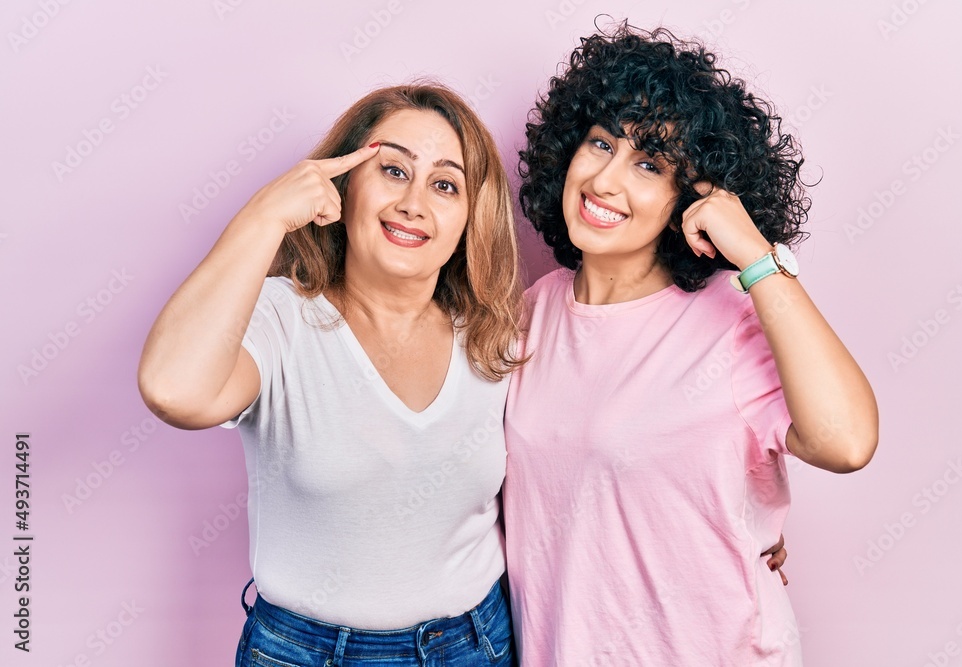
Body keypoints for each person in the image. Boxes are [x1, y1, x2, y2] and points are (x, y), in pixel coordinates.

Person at [504, 23, 879, 666]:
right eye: (600, 144)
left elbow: (845, 442)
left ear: (692, 196)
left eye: (649, 163)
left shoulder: (729, 321)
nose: (605, 180)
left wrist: (757, 258)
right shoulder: (531, 312)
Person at [138, 84, 522, 666]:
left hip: (474, 645)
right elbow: (173, 391)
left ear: (471, 217)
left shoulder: (495, 334)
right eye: (393, 170)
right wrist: (266, 214)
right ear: (343, 187)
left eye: (445, 184)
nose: (414, 203)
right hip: (306, 653)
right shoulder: (279, 317)